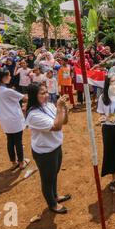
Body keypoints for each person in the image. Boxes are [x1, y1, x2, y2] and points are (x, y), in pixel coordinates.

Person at [25, 83, 71, 214]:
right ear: (34, 96)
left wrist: (64, 110)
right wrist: (59, 108)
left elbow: (64, 122)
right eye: (42, 93)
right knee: (47, 179)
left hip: (56, 146)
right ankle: (52, 204)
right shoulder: (33, 115)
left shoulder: (49, 105)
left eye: (46, 92)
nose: (46, 95)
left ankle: (55, 196)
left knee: (54, 174)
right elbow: (56, 126)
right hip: (45, 152)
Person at [0, 68, 30, 170]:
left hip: (4, 119)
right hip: (14, 118)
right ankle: (21, 162)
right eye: (8, 75)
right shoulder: (7, 91)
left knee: (10, 140)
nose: (10, 77)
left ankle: (13, 162)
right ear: (4, 78)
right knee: (18, 141)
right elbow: (25, 98)